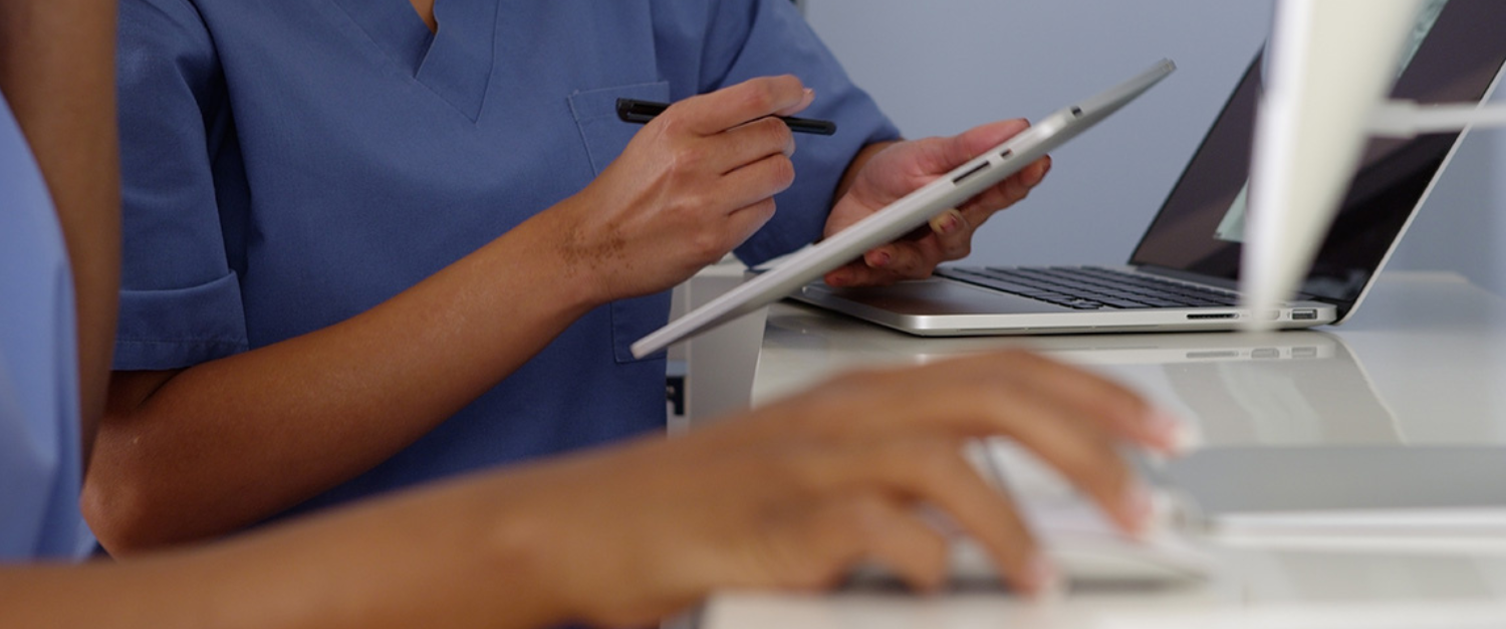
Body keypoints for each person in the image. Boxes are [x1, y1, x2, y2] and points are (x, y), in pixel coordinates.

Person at [0, 3, 1181, 620]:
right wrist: (570, 255)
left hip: (627, 594)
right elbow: (137, 485)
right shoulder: (119, 25)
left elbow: (793, 132)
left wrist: (864, 192)